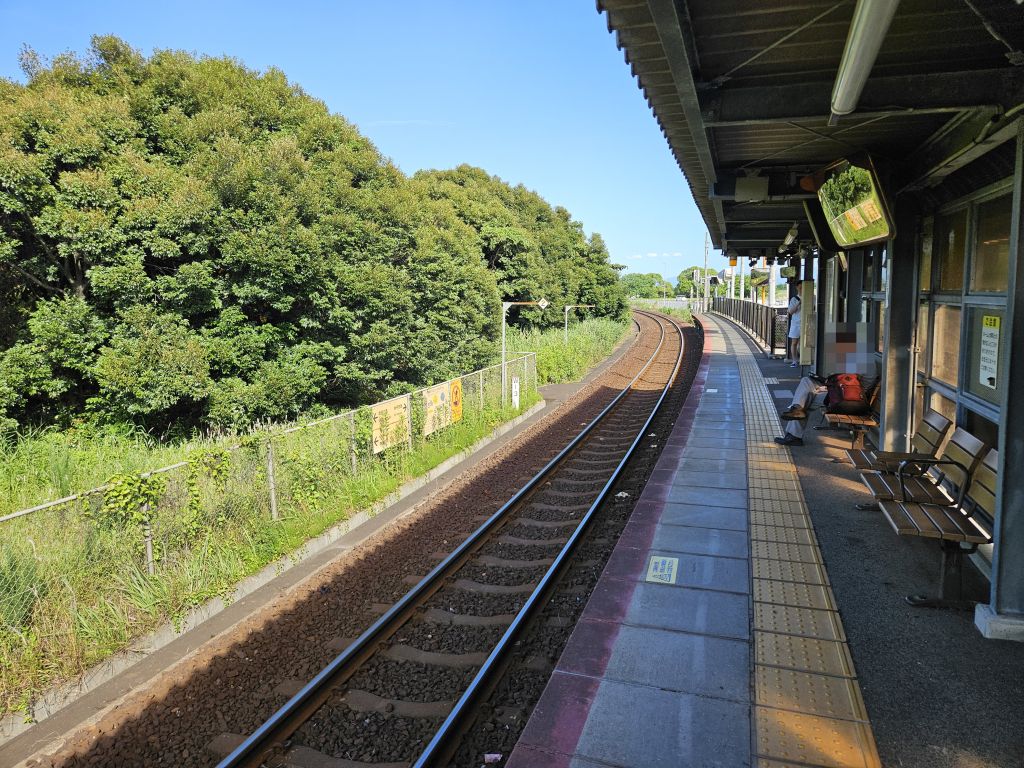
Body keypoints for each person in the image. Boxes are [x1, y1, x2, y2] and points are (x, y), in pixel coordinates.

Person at [774, 374, 824, 446]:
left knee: (807, 399)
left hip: (837, 396)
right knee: (806, 380)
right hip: (832, 390)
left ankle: (794, 436)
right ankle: (797, 408)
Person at [786, 294, 801, 367]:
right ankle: (794, 361)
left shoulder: (812, 297)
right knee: (794, 342)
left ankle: (803, 360)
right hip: (795, 323)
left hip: (807, 323)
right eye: (800, 287)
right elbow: (790, 312)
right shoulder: (794, 299)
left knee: (804, 344)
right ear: (797, 287)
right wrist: (798, 303)